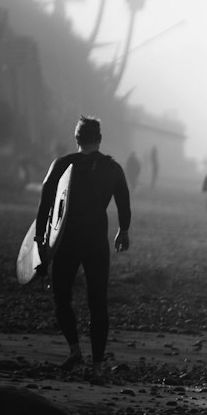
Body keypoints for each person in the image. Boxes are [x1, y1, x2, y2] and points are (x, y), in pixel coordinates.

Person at [35, 115, 131, 384]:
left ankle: (75, 350)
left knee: (61, 296)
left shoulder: (63, 165)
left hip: (66, 242)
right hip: (96, 243)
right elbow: (124, 201)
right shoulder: (113, 169)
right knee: (98, 303)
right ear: (99, 139)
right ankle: (97, 368)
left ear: (77, 139)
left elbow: (45, 203)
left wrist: (40, 240)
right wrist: (123, 230)